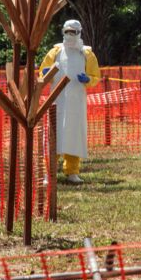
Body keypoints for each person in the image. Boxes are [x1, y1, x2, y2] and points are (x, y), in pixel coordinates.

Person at [39, 20, 100, 184]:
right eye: (67, 31)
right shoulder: (55, 52)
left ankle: (72, 171)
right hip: (56, 101)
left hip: (76, 103)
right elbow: (42, 75)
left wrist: (88, 79)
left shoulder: (87, 54)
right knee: (54, 136)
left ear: (79, 32)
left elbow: (96, 76)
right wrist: (45, 74)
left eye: (73, 32)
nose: (70, 35)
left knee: (74, 135)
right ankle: (48, 173)